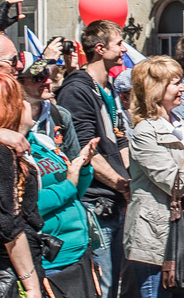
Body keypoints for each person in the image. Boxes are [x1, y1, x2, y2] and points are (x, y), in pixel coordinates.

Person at [123, 56, 184, 297]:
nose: (183, 88)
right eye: (175, 83)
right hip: (158, 241)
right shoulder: (145, 131)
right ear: (155, 89)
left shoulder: (181, 123)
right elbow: (176, 185)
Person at [56, 20, 131, 298]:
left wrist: (126, 179)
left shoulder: (107, 88)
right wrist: (120, 183)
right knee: (103, 286)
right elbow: (86, 150)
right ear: (100, 49)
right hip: (96, 204)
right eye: (119, 43)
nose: (124, 48)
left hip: (116, 201)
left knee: (114, 287)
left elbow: (118, 137)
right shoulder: (77, 90)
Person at [0, 72, 45, 298]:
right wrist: (32, 286)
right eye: (22, 100)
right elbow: (10, 226)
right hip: (3, 268)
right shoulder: (0, 154)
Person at [29, 116, 101, 298]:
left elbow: (75, 192)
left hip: (79, 252)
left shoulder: (41, 142)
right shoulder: (6, 152)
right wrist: (68, 184)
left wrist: (82, 167)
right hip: (52, 261)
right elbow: (26, 205)